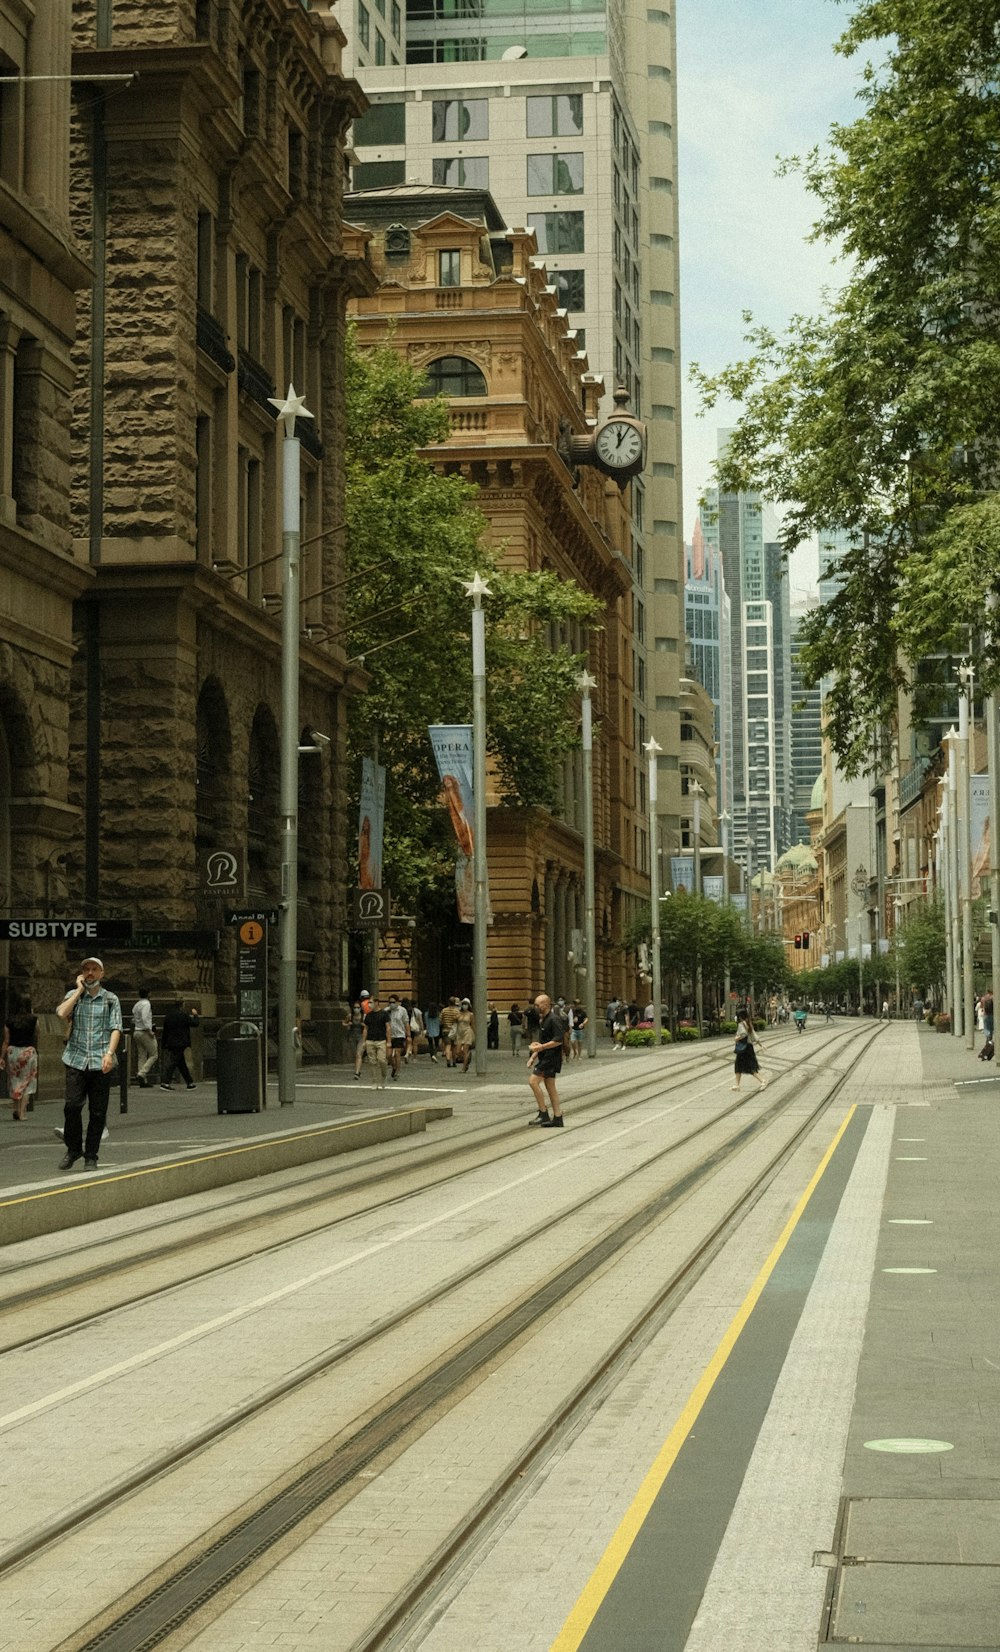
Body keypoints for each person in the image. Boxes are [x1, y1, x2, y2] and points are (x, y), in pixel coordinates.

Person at [56, 957, 122, 1170]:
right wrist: (78, 991)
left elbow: (116, 1028)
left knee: (97, 1112)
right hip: (76, 1059)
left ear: (102, 974)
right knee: (72, 1106)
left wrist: (109, 1054)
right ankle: (74, 1148)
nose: (90, 973)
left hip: (100, 1060)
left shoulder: (111, 999)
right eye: (86, 970)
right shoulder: (73, 996)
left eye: (95, 970)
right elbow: (61, 1013)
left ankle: (91, 1155)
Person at [528, 992, 566, 1127]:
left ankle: (543, 1113)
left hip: (550, 1059)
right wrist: (533, 1056)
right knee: (550, 1087)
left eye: (538, 1005)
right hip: (547, 1057)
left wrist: (541, 1048)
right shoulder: (544, 1019)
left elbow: (558, 1040)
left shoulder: (554, 1019)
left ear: (545, 1005)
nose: (536, 1007)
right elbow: (542, 1041)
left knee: (533, 1081)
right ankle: (558, 1117)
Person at [1, 995, 38, 1121]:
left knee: (14, 1081)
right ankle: (22, 1113)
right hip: (28, 1052)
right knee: (27, 1082)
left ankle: (16, 1109)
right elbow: (37, 1033)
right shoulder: (33, 1019)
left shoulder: (9, 1021)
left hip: (13, 1053)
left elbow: (6, 1041)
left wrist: (1, 1057)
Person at [159, 1000, 200, 1090]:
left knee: (181, 1063)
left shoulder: (168, 1016)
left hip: (171, 1042)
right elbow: (195, 1023)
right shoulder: (183, 1015)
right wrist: (196, 1015)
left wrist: (163, 1043)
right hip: (181, 1042)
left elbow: (165, 1031)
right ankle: (165, 1082)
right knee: (173, 1062)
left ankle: (190, 1082)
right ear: (182, 1005)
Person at [732, 1007, 767, 1093]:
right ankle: (737, 1085)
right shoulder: (748, 1023)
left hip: (744, 1048)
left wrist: (737, 1038)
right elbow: (754, 1036)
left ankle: (763, 1080)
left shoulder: (741, 1024)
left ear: (740, 1017)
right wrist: (761, 1045)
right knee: (739, 1066)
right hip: (749, 1047)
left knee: (748, 1067)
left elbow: (743, 1034)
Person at [131, 985, 158, 1087]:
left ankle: (143, 1080)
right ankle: (142, 1074)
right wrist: (149, 1030)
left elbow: (134, 1018)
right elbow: (145, 1017)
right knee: (154, 1054)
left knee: (141, 1055)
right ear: (149, 994)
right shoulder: (146, 1004)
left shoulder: (137, 1004)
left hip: (137, 1031)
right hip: (144, 1031)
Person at [362, 994, 391, 1089]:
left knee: (382, 1060)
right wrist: (364, 1041)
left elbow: (388, 1027)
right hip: (370, 1040)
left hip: (381, 1040)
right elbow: (365, 1028)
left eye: (370, 1002)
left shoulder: (384, 1014)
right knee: (372, 1061)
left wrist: (388, 1041)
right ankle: (374, 1081)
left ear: (376, 1002)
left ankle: (384, 1076)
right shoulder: (368, 1015)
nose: (369, 1004)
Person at [343, 996, 367, 1080]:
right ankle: (358, 1069)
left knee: (358, 1054)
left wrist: (364, 1039)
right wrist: (348, 1025)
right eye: (355, 1007)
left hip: (360, 1037)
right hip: (352, 1036)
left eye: (358, 1007)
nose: (356, 1009)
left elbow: (367, 1028)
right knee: (355, 1054)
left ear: (360, 1008)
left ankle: (357, 1072)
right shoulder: (350, 1016)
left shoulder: (363, 1017)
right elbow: (343, 1023)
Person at [387, 995, 410, 1079]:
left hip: (400, 1035)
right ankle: (394, 1066)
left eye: (393, 1002)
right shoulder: (387, 1011)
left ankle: (397, 1072)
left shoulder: (402, 1011)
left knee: (397, 1053)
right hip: (390, 1035)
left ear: (397, 1002)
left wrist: (408, 1035)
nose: (391, 1004)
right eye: (390, 1002)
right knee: (388, 1055)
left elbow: (406, 1023)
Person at [454, 998, 476, 1073]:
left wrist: (474, 1035)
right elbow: (455, 1020)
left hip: (467, 1031)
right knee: (458, 1052)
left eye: (466, 1004)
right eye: (463, 1004)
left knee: (465, 1050)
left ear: (468, 1005)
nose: (464, 1005)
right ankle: (467, 1059)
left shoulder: (471, 1014)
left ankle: (464, 1068)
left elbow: (473, 1025)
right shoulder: (459, 1013)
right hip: (459, 1033)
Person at [439, 997, 460, 1067]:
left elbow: (440, 1020)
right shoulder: (457, 1011)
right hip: (454, 1031)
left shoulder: (444, 1010)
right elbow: (459, 1020)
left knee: (447, 1045)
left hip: (445, 1030)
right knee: (454, 1046)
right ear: (454, 1003)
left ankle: (448, 1059)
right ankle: (454, 1061)